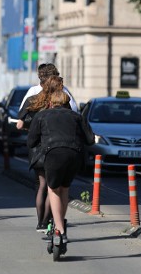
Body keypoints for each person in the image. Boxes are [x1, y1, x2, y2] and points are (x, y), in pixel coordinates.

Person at [27, 87, 95, 253]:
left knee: (52, 189)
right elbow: (91, 140)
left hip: (54, 155)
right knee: (64, 189)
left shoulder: (41, 115)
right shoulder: (77, 117)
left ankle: (60, 230)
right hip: (74, 155)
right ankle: (60, 223)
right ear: (67, 104)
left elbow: (31, 142)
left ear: (50, 103)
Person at [18, 75, 58, 231]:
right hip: (54, 146)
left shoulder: (32, 100)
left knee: (41, 184)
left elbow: (20, 124)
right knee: (52, 187)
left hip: (36, 147)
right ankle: (48, 219)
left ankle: (40, 222)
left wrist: (31, 126)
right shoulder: (59, 102)